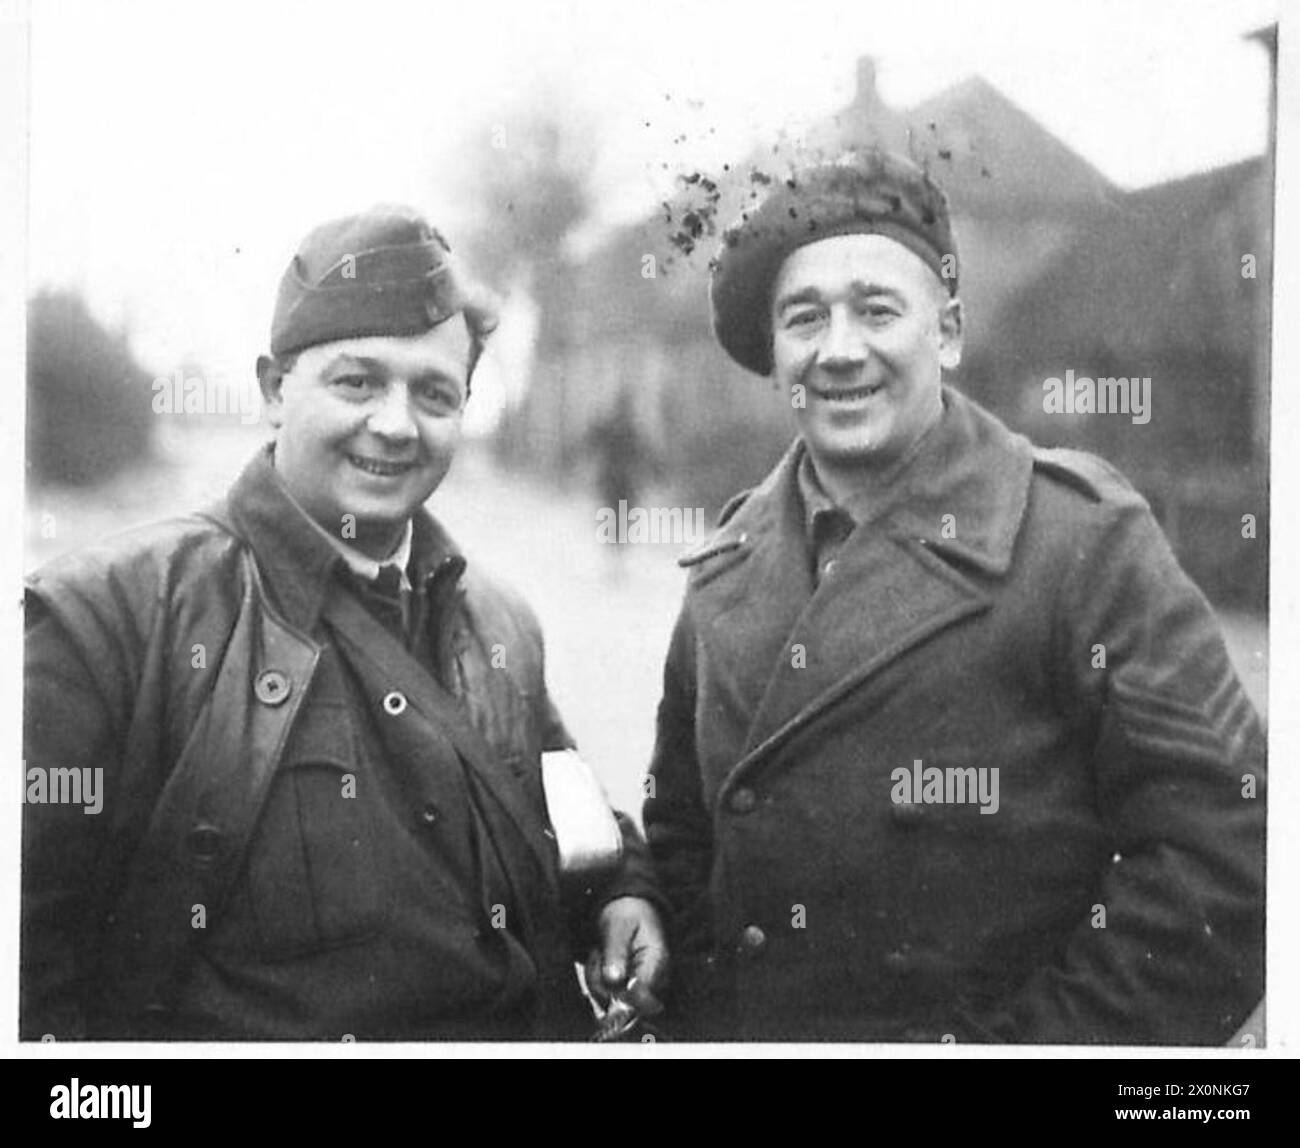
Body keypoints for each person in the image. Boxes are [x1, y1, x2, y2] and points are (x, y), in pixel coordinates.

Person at [642, 150, 1265, 1043]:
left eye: (877, 309)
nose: (839, 349)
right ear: (777, 353)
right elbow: (680, 835)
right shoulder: (725, 560)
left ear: (949, 332)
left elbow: (1231, 849)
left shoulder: (1078, 538)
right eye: (804, 317)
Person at [23, 205, 666, 1041]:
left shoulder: (496, 620)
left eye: (434, 393)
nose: (396, 425)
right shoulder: (107, 619)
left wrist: (625, 892)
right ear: (272, 390)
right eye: (357, 381)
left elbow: (563, 806)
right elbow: (28, 969)